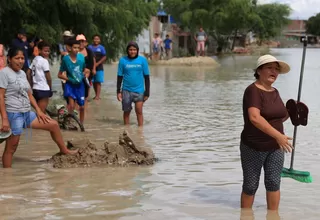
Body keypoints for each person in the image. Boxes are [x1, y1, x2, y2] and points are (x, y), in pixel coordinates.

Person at [0, 47, 77, 168]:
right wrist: (4, 118)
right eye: (17, 58)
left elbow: (29, 94)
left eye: (22, 58)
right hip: (14, 115)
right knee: (11, 147)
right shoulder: (4, 73)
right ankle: (7, 174)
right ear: (9, 59)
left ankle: (64, 150)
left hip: (27, 113)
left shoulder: (22, 73)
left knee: (53, 125)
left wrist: (39, 111)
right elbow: (1, 96)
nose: (20, 61)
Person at [240, 54, 293, 210]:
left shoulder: (275, 92)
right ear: (259, 70)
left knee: (273, 183)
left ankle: (273, 216)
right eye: (269, 68)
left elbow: (277, 118)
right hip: (253, 146)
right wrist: (279, 136)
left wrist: (292, 113)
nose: (274, 72)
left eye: (276, 69)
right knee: (250, 185)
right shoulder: (252, 91)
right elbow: (255, 118)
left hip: (276, 146)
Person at [117, 42, 150, 127]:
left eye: (134, 50)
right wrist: (118, 91)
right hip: (126, 90)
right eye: (130, 50)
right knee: (126, 111)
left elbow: (146, 77)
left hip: (139, 90)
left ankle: (140, 131)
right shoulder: (123, 60)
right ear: (127, 50)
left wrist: (147, 92)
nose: (132, 52)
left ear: (137, 50)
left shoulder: (142, 60)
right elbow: (119, 76)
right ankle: (127, 130)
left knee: (139, 111)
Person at [58, 38, 89, 125]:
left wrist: (86, 73)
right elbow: (59, 74)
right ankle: (70, 122)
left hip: (80, 85)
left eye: (78, 48)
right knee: (71, 106)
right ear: (69, 48)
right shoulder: (65, 59)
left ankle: (81, 124)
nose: (76, 50)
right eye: (75, 47)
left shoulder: (81, 58)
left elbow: (83, 70)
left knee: (82, 107)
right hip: (70, 85)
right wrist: (69, 79)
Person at [26, 41, 52, 113]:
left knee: (39, 112)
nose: (47, 53)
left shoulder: (35, 59)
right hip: (43, 89)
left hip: (35, 89)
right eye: (45, 51)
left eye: (48, 51)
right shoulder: (44, 61)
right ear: (39, 50)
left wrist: (30, 85)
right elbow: (48, 77)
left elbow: (28, 72)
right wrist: (50, 88)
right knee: (41, 113)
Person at [77, 34, 95, 101]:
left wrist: (93, 69)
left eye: (82, 41)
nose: (81, 43)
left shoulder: (89, 51)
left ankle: (86, 99)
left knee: (87, 85)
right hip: (77, 72)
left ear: (85, 42)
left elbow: (93, 59)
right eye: (79, 41)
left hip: (88, 72)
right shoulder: (75, 51)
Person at [88, 35, 106, 100]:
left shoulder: (101, 48)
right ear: (93, 40)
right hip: (90, 67)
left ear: (100, 40)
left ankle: (97, 96)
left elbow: (104, 57)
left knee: (98, 81)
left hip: (99, 67)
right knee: (92, 81)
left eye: (97, 39)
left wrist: (97, 64)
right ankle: (92, 95)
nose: (96, 40)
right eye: (95, 39)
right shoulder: (89, 47)